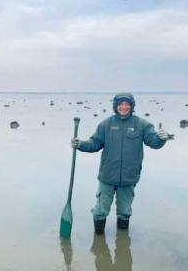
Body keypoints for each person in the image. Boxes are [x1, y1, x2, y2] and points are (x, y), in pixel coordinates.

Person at [71, 93, 169, 234]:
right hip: (107, 177)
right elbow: (94, 143)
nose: (124, 107)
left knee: (125, 212)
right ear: (115, 106)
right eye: (120, 104)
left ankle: (123, 244)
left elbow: (154, 142)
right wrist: (80, 144)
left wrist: (161, 138)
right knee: (100, 211)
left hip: (129, 178)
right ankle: (98, 243)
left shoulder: (142, 125)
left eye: (127, 104)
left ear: (132, 106)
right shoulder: (106, 124)